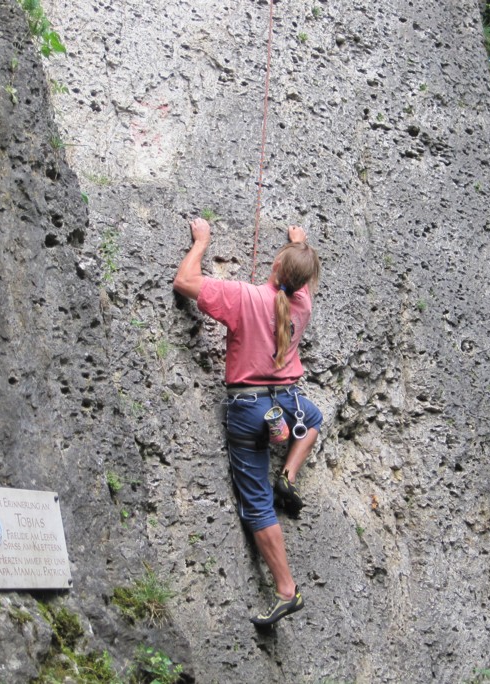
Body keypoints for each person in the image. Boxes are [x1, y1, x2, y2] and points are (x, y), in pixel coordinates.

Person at [173, 217, 323, 626]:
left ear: (275, 267)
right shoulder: (303, 305)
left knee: (257, 503)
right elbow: (299, 283)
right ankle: (288, 475)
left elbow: (184, 282)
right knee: (314, 418)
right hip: (288, 403)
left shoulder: (244, 297)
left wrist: (202, 241)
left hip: (248, 410)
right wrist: (301, 243)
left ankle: (287, 590)